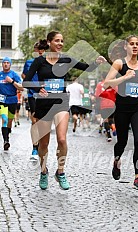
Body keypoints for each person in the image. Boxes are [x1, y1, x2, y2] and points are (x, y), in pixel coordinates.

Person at [23, 30, 105, 190]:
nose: (60, 44)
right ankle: (44, 171)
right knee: (44, 144)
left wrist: (96, 62)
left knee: (61, 139)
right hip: (44, 105)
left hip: (61, 103)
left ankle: (60, 172)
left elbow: (86, 68)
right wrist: (39, 88)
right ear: (49, 42)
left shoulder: (66, 59)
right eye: (57, 41)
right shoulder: (39, 61)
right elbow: (26, 82)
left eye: (62, 41)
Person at [104, 35, 138, 190]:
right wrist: (124, 77)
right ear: (126, 47)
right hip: (122, 108)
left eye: (137, 44)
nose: (135, 46)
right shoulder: (119, 64)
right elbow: (107, 83)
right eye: (132, 44)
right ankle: (117, 160)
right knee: (122, 142)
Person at [21, 41, 45, 160]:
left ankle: (42, 145)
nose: (40, 51)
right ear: (35, 50)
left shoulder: (49, 62)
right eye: (38, 49)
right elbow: (23, 75)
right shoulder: (29, 62)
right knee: (35, 120)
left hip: (46, 95)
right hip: (33, 94)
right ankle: (35, 147)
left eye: (42, 49)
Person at [0, 57, 23, 150]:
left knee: (9, 121)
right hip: (2, 100)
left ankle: (7, 134)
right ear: (2, 64)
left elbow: (21, 88)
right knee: (4, 120)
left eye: (7, 63)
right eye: (4, 62)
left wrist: (12, 81)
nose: (5, 64)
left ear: (10, 64)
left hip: (12, 100)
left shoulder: (14, 75)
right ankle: (6, 141)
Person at [95, 72, 117, 142]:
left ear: (102, 77)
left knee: (105, 119)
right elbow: (117, 92)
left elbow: (97, 95)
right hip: (112, 104)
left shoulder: (100, 84)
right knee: (111, 118)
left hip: (104, 104)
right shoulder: (113, 84)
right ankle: (113, 128)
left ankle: (109, 136)